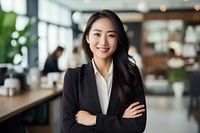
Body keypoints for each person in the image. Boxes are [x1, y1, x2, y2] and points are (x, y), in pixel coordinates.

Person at [62, 9, 146, 133]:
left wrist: (94, 119)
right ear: (87, 38)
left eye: (111, 35)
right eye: (97, 34)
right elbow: (69, 128)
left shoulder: (131, 74)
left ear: (118, 39)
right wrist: (119, 121)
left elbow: (137, 125)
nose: (103, 42)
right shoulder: (73, 77)